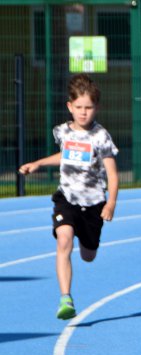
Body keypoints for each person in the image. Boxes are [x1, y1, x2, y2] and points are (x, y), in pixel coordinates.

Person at [18, 73, 119, 320]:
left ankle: (89, 242)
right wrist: (39, 163)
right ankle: (66, 298)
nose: (84, 113)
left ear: (97, 108)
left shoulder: (100, 136)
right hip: (67, 198)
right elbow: (65, 155)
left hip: (94, 202)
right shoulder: (63, 131)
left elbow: (112, 174)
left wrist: (111, 202)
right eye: (79, 107)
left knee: (88, 255)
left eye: (89, 108)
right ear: (70, 106)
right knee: (64, 240)